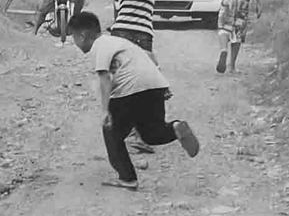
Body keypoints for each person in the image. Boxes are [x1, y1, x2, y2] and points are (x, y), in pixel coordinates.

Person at [69, 11, 199, 191]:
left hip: (130, 89)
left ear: (82, 35)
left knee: (112, 132)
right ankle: (176, 128)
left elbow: (105, 78)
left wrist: (105, 110)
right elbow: (148, 56)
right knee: (151, 133)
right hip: (154, 84)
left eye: (74, 37)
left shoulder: (99, 46)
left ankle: (127, 178)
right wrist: (162, 86)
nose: (75, 43)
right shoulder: (118, 41)